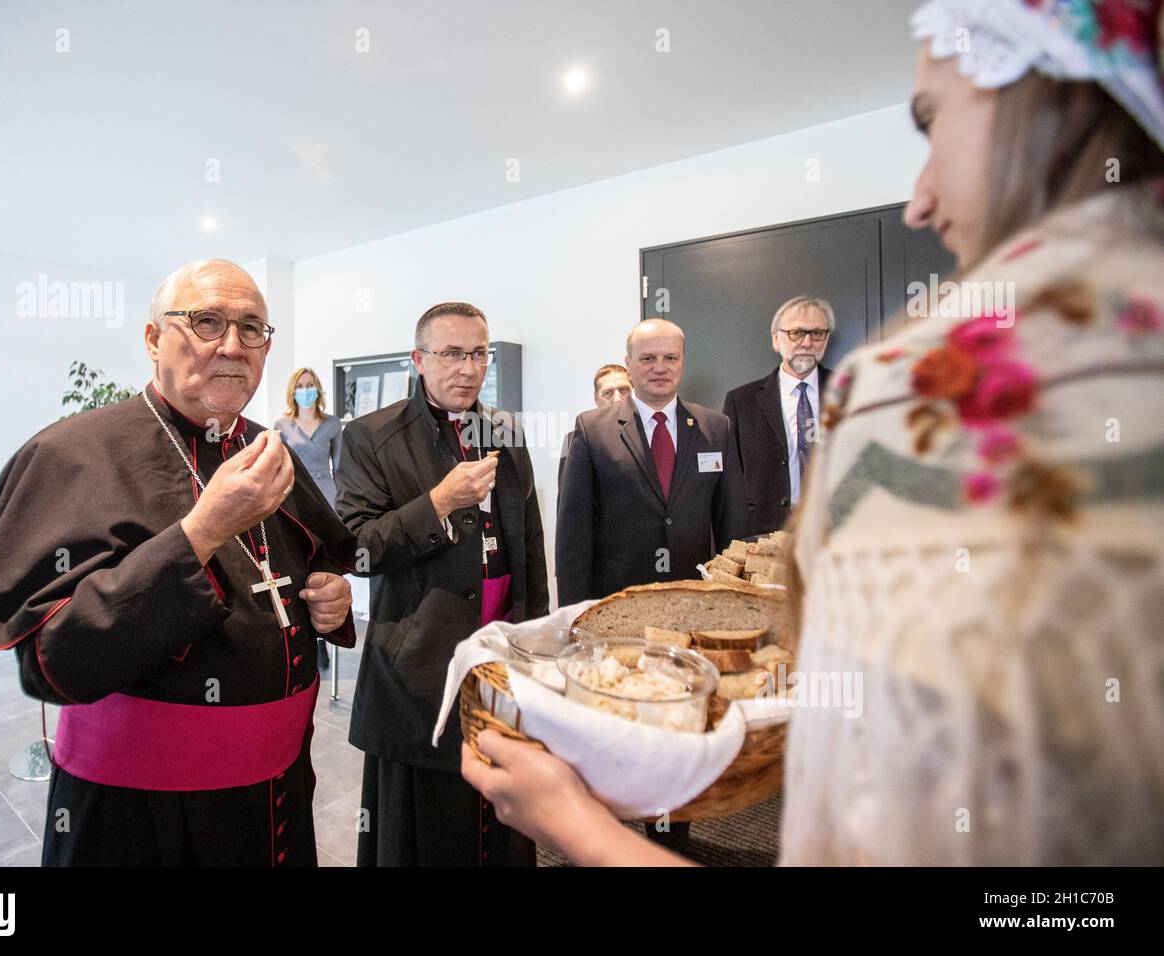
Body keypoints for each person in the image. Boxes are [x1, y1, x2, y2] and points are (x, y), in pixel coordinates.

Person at [464, 0, 1164, 866]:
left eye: (932, 121)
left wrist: (579, 833)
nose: (920, 200)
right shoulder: (594, 429)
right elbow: (571, 529)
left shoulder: (912, 394)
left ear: (1036, 100)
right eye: (648, 356)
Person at [0, 258, 359, 866]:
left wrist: (330, 597)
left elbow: (312, 567)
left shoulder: (266, 448)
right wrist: (203, 530)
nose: (233, 346)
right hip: (141, 810)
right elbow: (54, 661)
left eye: (252, 329)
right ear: (153, 338)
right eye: (207, 321)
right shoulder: (70, 454)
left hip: (276, 788)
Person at [336, 301, 549, 866]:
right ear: (419, 360)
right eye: (451, 353)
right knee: (432, 819)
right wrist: (437, 504)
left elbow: (529, 539)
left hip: (502, 648)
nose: (467, 368)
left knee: (500, 804)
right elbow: (356, 549)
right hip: (421, 658)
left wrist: (541, 638)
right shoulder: (370, 436)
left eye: (478, 354)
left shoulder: (504, 429)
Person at [556, 318, 746, 606]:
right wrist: (573, 614)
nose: (660, 367)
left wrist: (734, 599)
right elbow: (574, 534)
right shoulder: (592, 429)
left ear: (682, 361)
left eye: (671, 357)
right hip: (617, 600)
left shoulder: (717, 428)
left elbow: (731, 523)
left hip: (696, 596)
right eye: (648, 358)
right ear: (629, 363)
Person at [721, 297, 835, 536]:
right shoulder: (741, 402)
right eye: (796, 333)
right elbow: (730, 484)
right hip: (767, 536)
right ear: (776, 339)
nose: (807, 342)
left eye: (817, 333)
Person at [276, 366, 344, 671]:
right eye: (301, 385)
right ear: (293, 391)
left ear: (319, 390)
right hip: (293, 497)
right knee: (300, 561)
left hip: (327, 497)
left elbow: (341, 468)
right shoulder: (282, 424)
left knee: (326, 564)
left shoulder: (332, 424)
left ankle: (326, 636)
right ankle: (306, 632)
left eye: (311, 384)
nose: (307, 389)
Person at [558, 363, 632, 486]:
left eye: (624, 390)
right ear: (596, 398)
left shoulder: (649, 432)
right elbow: (568, 496)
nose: (617, 398)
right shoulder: (571, 441)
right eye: (608, 393)